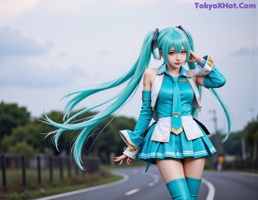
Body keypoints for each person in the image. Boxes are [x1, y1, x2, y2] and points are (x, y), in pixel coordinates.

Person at [44, 26, 231, 200]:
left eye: (182, 51)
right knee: (181, 198)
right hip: (163, 140)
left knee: (192, 198)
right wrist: (131, 148)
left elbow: (219, 81)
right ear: (162, 52)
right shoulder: (151, 75)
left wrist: (199, 60)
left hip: (193, 139)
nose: (178, 57)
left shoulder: (193, 75)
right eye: (172, 52)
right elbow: (145, 112)